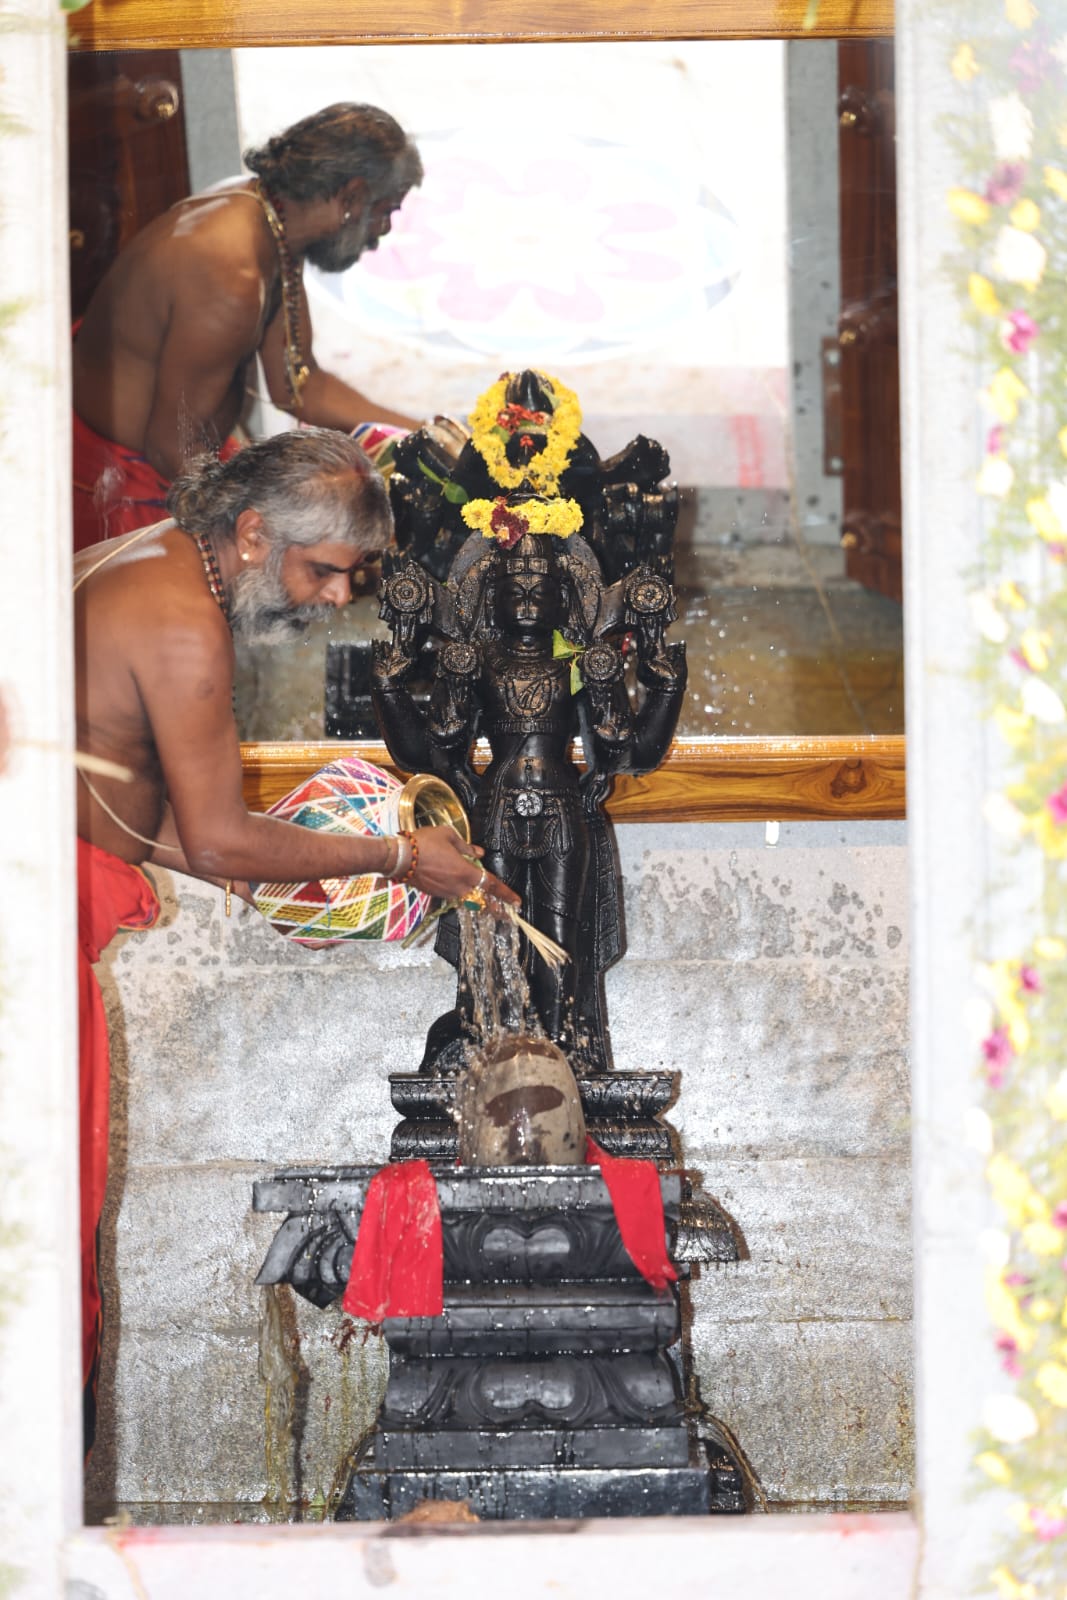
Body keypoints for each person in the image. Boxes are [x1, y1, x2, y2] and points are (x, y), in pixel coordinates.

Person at [74, 428, 517, 1446]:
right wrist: (397, 859)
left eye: (350, 578)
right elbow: (221, 837)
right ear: (252, 530)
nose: (331, 600)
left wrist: (298, 876)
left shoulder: (132, 557)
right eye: (323, 571)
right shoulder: (184, 622)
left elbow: (126, 812)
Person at [72, 102, 423, 550]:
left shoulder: (271, 214)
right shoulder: (231, 276)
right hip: (129, 488)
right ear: (351, 198)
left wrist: (424, 430)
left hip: (188, 454)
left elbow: (300, 385)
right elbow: (170, 450)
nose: (386, 230)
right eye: (386, 211)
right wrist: (277, 532)